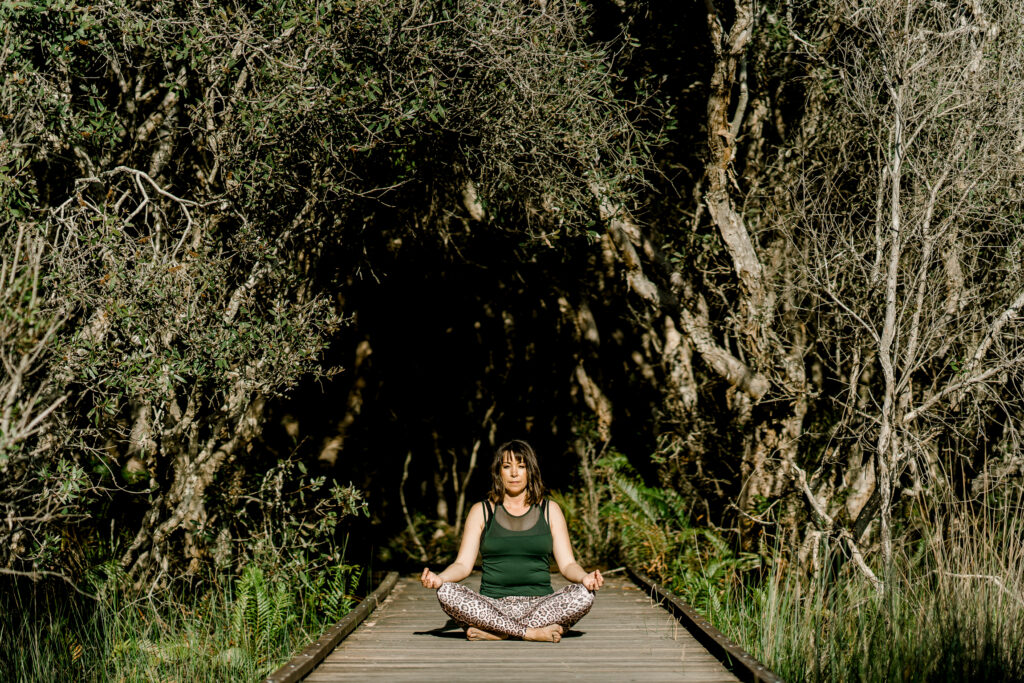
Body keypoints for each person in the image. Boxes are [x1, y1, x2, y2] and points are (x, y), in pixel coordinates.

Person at [420, 439, 604, 642]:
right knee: (446, 592)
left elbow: (568, 564)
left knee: (584, 595)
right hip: (492, 605)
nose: (514, 473)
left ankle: (498, 631)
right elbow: (462, 565)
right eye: (507, 467)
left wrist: (584, 578)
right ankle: (530, 633)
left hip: (540, 606)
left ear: (530, 471)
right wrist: (440, 579)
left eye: (521, 467)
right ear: (499, 472)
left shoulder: (550, 510)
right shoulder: (481, 511)